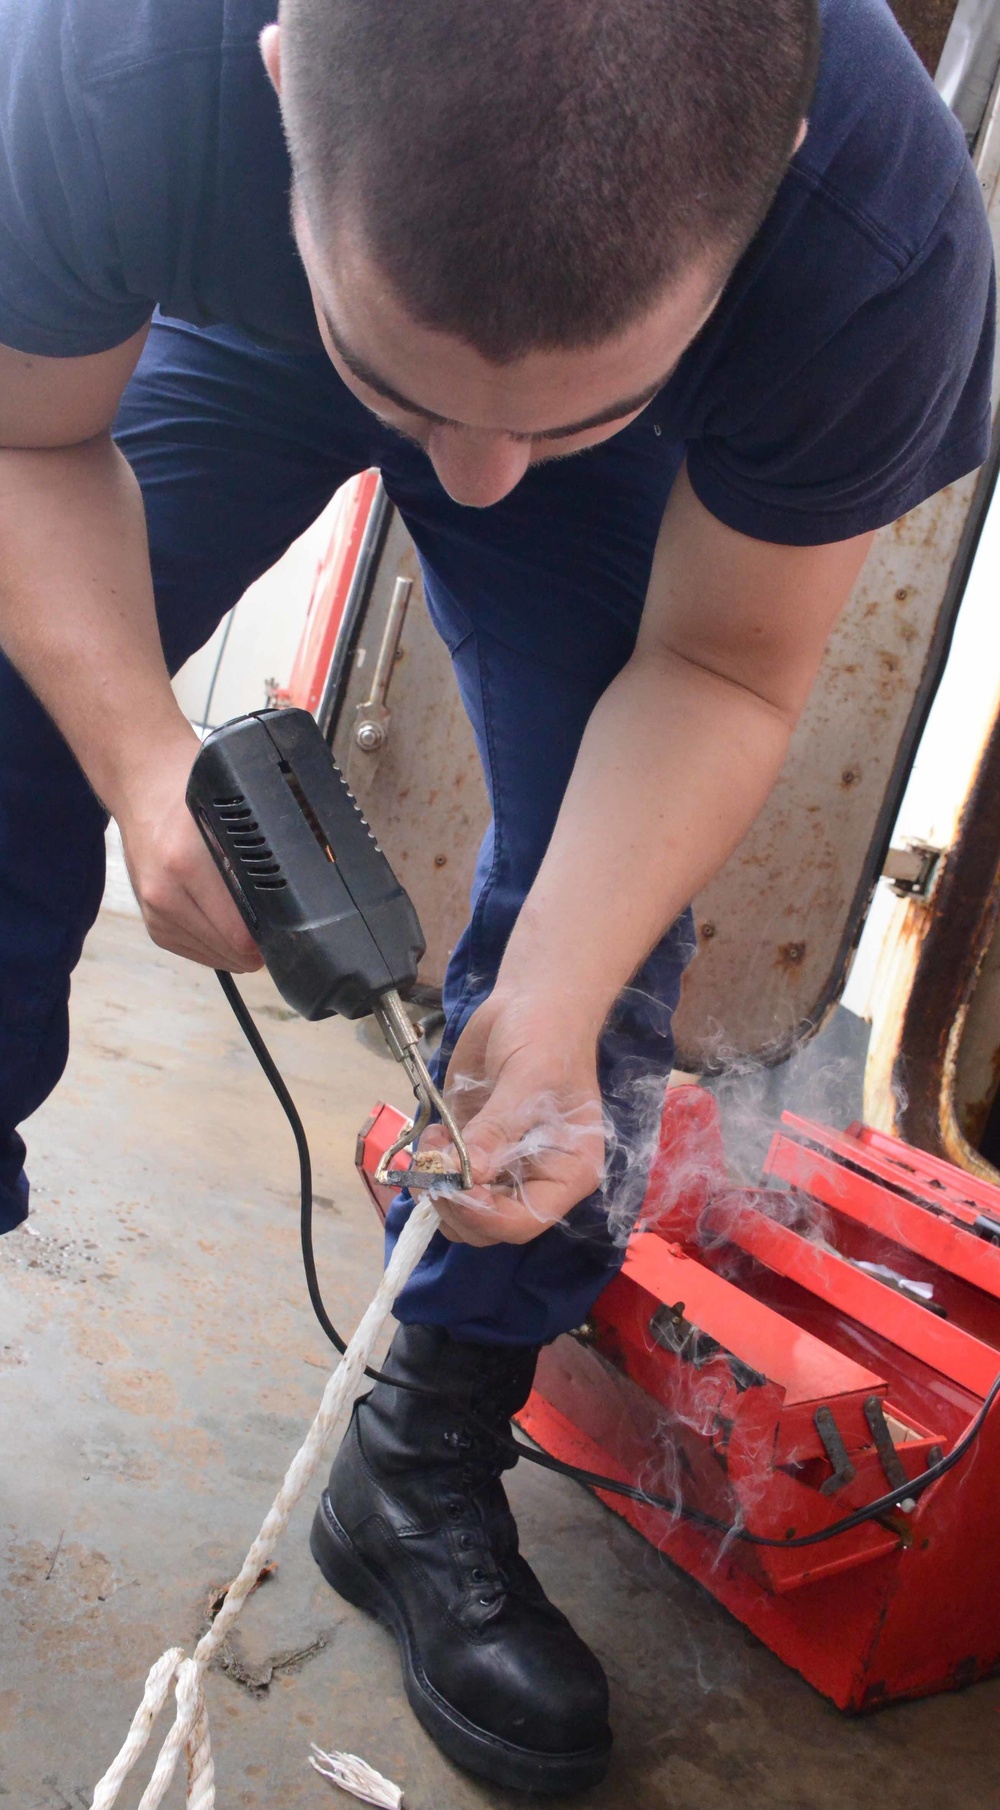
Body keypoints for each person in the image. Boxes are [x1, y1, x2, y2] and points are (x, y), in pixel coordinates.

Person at [0, 0, 993, 1790]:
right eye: (417, 406)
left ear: (765, 187)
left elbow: (724, 672)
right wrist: (145, 756)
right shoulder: (113, 55)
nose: (464, 477)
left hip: (592, 431)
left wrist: (541, 997)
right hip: (261, 313)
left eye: (563, 404)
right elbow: (19, 441)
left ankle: (422, 1450)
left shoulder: (878, 247)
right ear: (281, 77)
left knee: (596, 955)